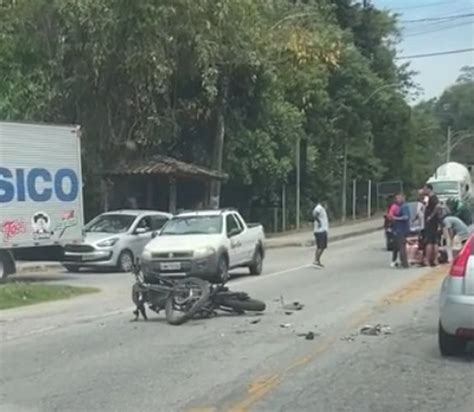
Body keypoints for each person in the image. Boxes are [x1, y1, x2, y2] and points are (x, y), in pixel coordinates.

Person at [390, 194, 410, 268]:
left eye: (399, 198)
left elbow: (406, 217)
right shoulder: (400, 207)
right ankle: (403, 262)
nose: (397, 200)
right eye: (396, 198)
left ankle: (404, 263)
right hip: (399, 229)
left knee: (401, 246)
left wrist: (396, 218)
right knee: (400, 245)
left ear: (403, 198)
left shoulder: (404, 207)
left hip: (402, 229)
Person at [423, 183, 441, 267]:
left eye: (425, 189)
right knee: (434, 241)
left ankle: (428, 260)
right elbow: (424, 206)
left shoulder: (433, 197)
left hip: (432, 222)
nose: (424, 190)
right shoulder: (428, 198)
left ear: (429, 189)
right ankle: (434, 260)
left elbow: (437, 206)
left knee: (430, 242)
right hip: (432, 222)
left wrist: (431, 216)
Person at [312, 200, 329, 268]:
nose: (327, 206)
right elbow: (314, 214)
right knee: (322, 247)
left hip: (320, 230)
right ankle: (316, 260)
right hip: (321, 231)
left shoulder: (322, 209)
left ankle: (317, 261)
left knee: (319, 247)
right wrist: (319, 222)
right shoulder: (319, 207)